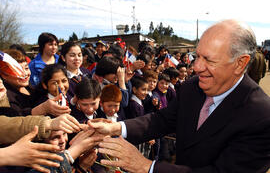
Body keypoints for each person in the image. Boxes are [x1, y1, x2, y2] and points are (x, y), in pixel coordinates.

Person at [89, 19, 270, 173]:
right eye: (197, 56)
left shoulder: (261, 117)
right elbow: (162, 120)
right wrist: (116, 128)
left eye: (209, 60)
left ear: (240, 63)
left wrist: (146, 166)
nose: (197, 67)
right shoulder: (192, 87)